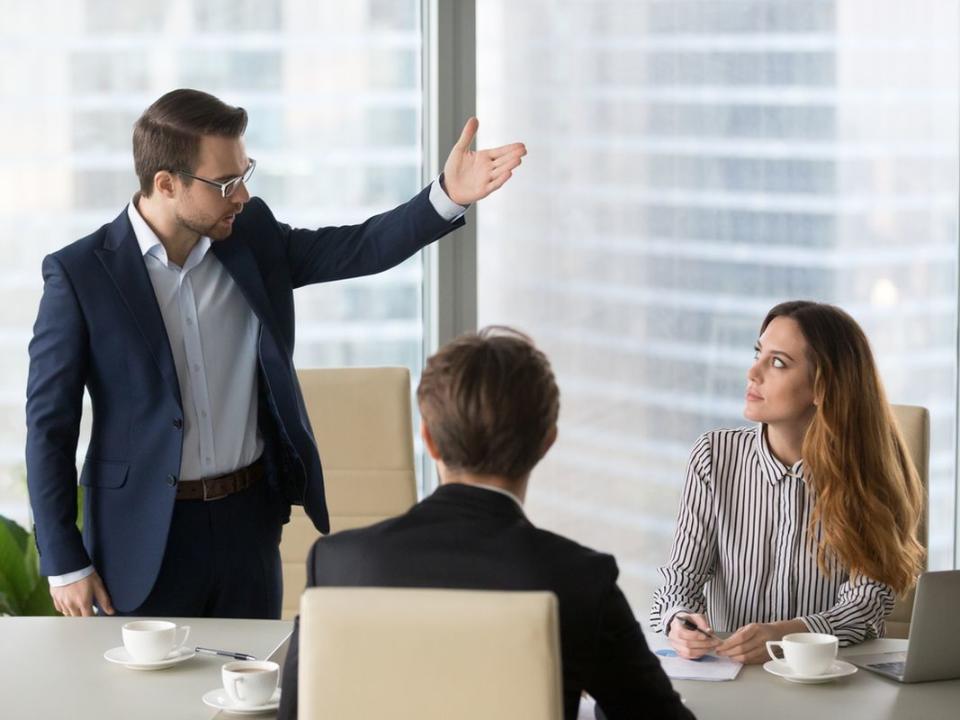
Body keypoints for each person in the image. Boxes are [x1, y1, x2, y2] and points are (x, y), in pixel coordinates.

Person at [25, 88, 526, 619]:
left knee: (253, 692)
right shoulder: (80, 275)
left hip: (247, 523)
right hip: (141, 535)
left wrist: (449, 193)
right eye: (225, 183)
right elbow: (49, 426)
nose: (240, 195)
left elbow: (360, 246)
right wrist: (64, 561)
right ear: (165, 184)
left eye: (245, 174)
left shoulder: (251, 237)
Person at [277, 327, 693, 720]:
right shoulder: (580, 579)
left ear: (428, 439)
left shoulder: (336, 563)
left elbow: (296, 712)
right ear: (547, 442)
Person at [650, 300, 925, 664]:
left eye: (778, 363)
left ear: (822, 387)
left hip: (831, 684)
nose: (753, 372)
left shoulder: (868, 472)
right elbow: (681, 577)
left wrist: (786, 635)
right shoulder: (713, 456)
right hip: (735, 682)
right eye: (758, 353)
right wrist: (679, 621)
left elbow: (865, 607)